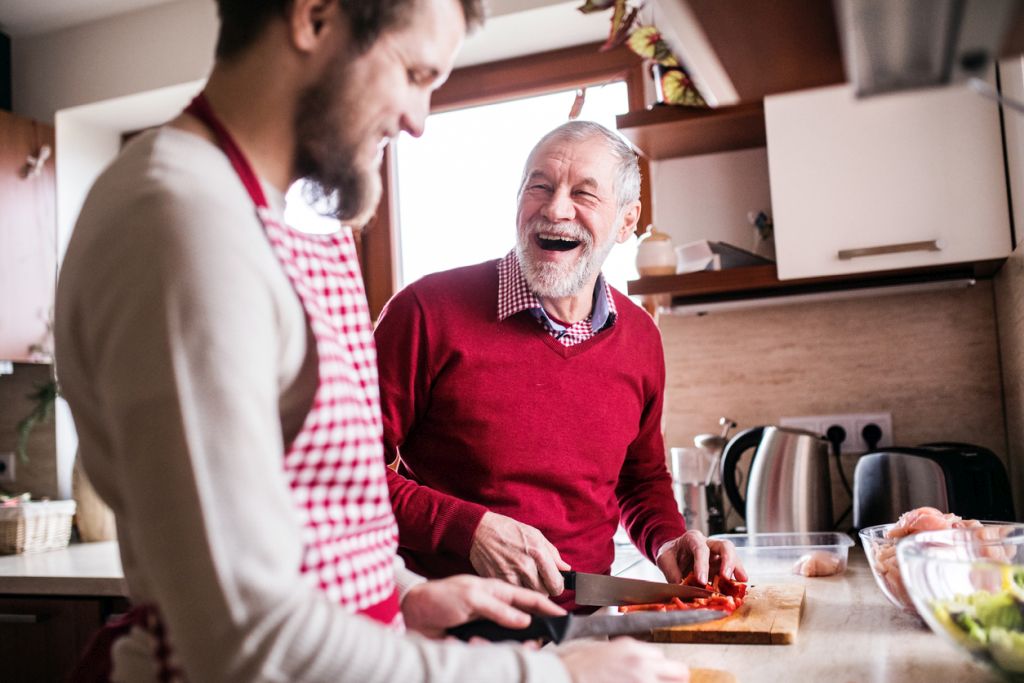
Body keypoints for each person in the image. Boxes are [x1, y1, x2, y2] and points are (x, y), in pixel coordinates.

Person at [54, 2, 692, 682]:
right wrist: (555, 677)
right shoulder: (182, 221)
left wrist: (404, 593)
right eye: (414, 72)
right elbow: (246, 638)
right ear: (314, 17)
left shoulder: (242, 214)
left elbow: (307, 513)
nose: (417, 120)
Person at [375, 121, 746, 605]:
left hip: (584, 625)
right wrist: (469, 529)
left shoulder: (641, 338)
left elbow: (641, 480)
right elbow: (343, 473)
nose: (555, 209)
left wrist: (669, 541)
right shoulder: (424, 312)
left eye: (585, 194)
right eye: (539, 187)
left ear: (627, 220)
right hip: (446, 628)